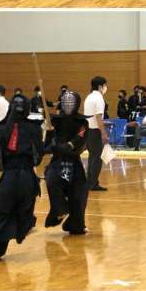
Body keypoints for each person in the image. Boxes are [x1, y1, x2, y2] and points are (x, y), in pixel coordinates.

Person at [0, 94, 44, 262]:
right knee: (24, 216)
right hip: (27, 179)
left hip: (8, 177)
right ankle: (13, 237)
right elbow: (38, 158)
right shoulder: (34, 129)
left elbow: (1, 157)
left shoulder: (1, 130)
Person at [44, 90, 89, 235]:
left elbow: (81, 139)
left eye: (71, 103)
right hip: (58, 161)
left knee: (79, 194)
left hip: (74, 161)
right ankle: (59, 211)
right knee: (52, 181)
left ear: (76, 104)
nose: (68, 105)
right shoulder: (54, 121)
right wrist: (50, 135)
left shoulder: (82, 122)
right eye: (66, 102)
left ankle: (75, 224)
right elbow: (47, 144)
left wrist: (69, 145)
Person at [83, 76, 109, 191]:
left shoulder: (89, 97)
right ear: (100, 86)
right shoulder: (99, 98)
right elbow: (98, 117)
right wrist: (103, 133)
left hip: (88, 130)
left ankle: (89, 182)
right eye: (105, 85)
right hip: (95, 131)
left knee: (92, 157)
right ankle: (93, 184)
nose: (106, 88)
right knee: (97, 158)